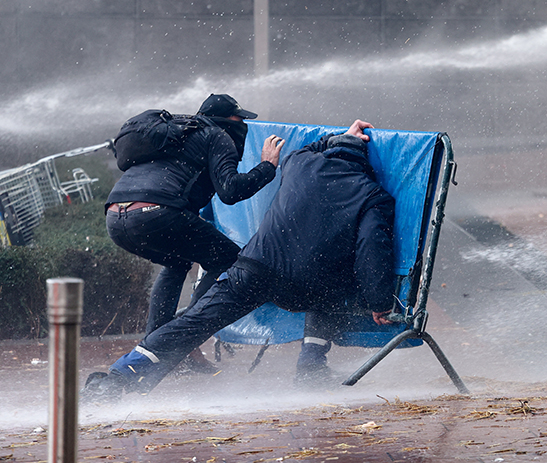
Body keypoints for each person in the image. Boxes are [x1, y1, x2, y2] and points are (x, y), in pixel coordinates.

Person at [83, 120, 396, 402]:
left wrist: (340, 136)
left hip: (252, 270)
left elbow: (312, 147)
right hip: (307, 287)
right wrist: (380, 301)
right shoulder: (373, 195)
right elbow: (372, 249)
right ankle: (311, 365)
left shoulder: (300, 163)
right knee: (336, 278)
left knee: (194, 323)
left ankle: (116, 380)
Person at [105, 94, 285, 371]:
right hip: (157, 214)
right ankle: (183, 339)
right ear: (229, 119)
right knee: (229, 261)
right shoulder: (217, 135)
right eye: (240, 118)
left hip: (116, 217)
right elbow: (231, 191)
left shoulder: (175, 134)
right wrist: (267, 166)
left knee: (176, 263)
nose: (243, 124)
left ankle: (156, 345)